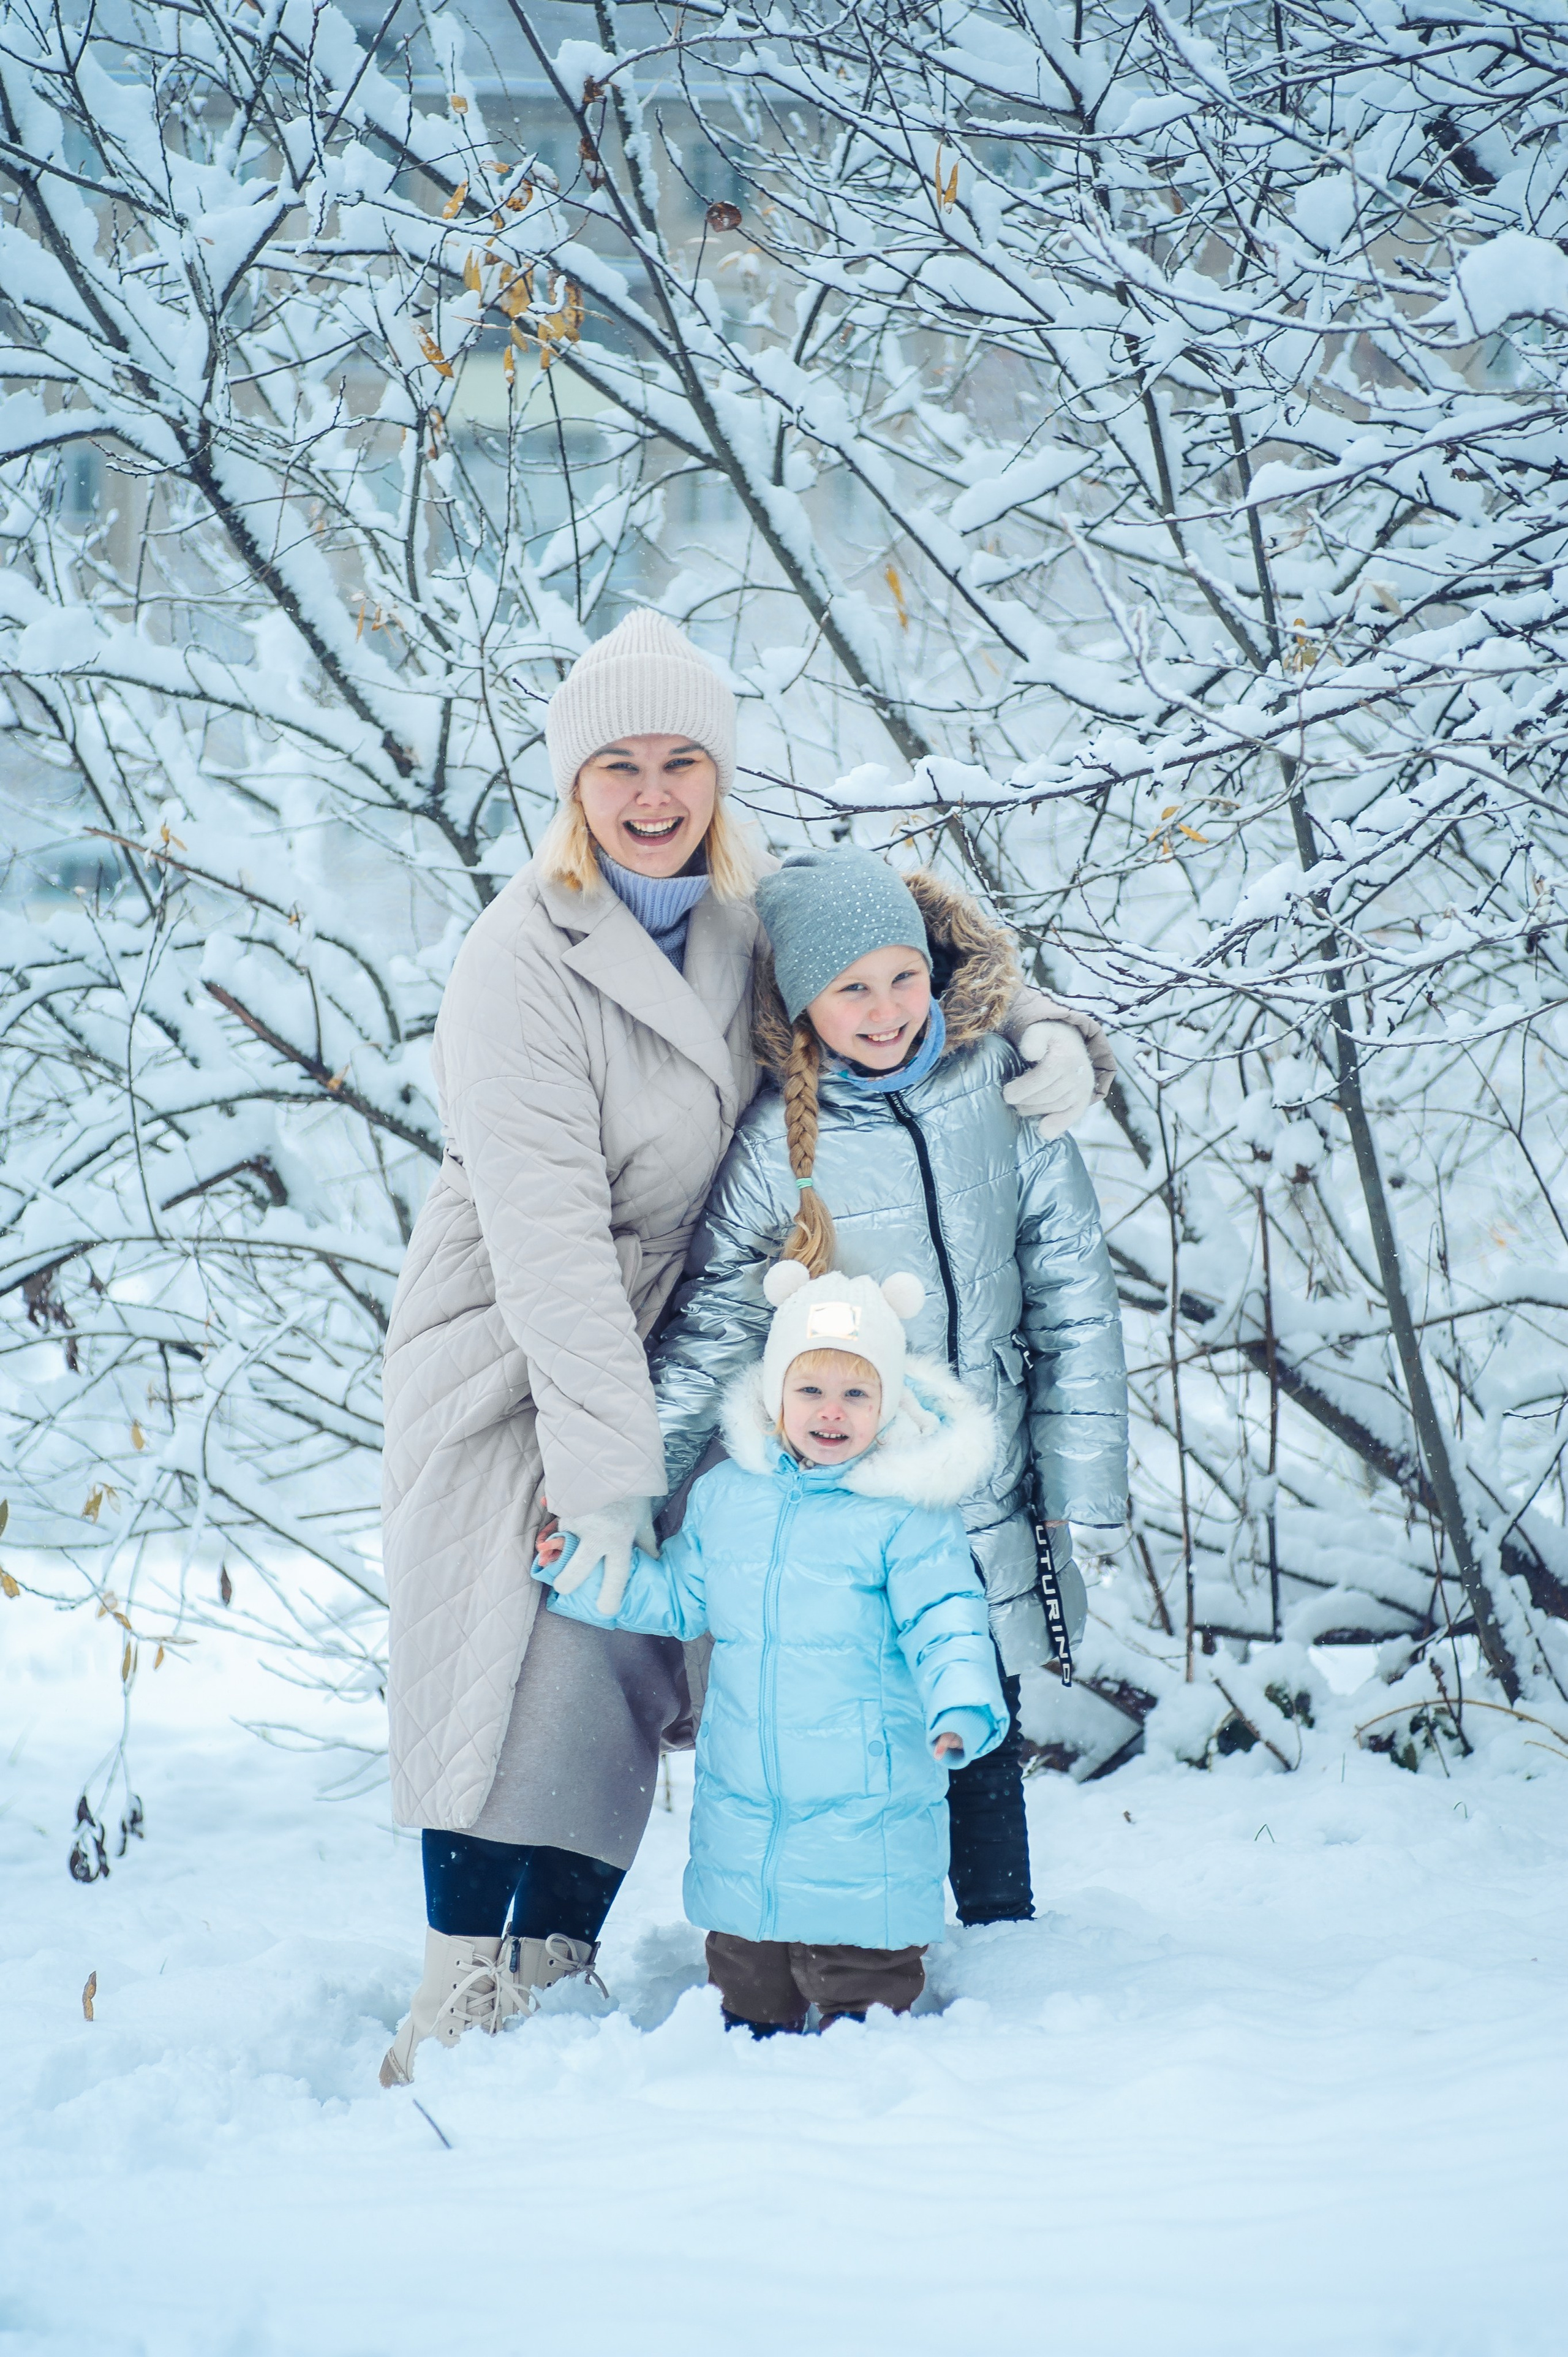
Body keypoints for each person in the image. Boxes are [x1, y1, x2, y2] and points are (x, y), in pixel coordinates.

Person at [378, 610, 1114, 2087]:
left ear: (716, 770)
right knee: (543, 1621)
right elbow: (553, 1250)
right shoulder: (516, 961)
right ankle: (479, 1971)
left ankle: (817, 1909)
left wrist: (1041, 1031)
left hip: (733, 1315)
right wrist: (607, 1473)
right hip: (534, 1324)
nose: (653, 795)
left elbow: (895, 968)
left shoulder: (739, 888)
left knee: (757, 1610)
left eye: (681, 761)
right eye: (618, 768)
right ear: (570, 786)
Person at [649, 847, 1129, 1931]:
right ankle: (867, 1927)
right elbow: (717, 1322)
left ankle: (1003, 1929)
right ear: (804, 1002)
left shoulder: (998, 1095)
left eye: (902, 976)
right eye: (850, 987)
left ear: (935, 970)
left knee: (984, 1710)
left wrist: (1086, 1489)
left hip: (991, 1478)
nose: (884, 1009)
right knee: (877, 1723)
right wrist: (633, 1473)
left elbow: (1075, 1298)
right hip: (851, 1505)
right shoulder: (777, 1147)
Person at [537, 1263, 1008, 2034]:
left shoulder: (905, 1515)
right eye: (810, 1390)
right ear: (773, 1397)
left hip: (868, 1787)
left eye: (857, 1393)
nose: (832, 1412)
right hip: (746, 1785)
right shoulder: (728, 1499)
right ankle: (753, 2046)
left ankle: (864, 2040)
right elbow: (682, 1598)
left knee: (862, 1961)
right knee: (748, 1970)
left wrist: (960, 1703)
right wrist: (578, 1570)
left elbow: (947, 1617)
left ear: (888, 1402)